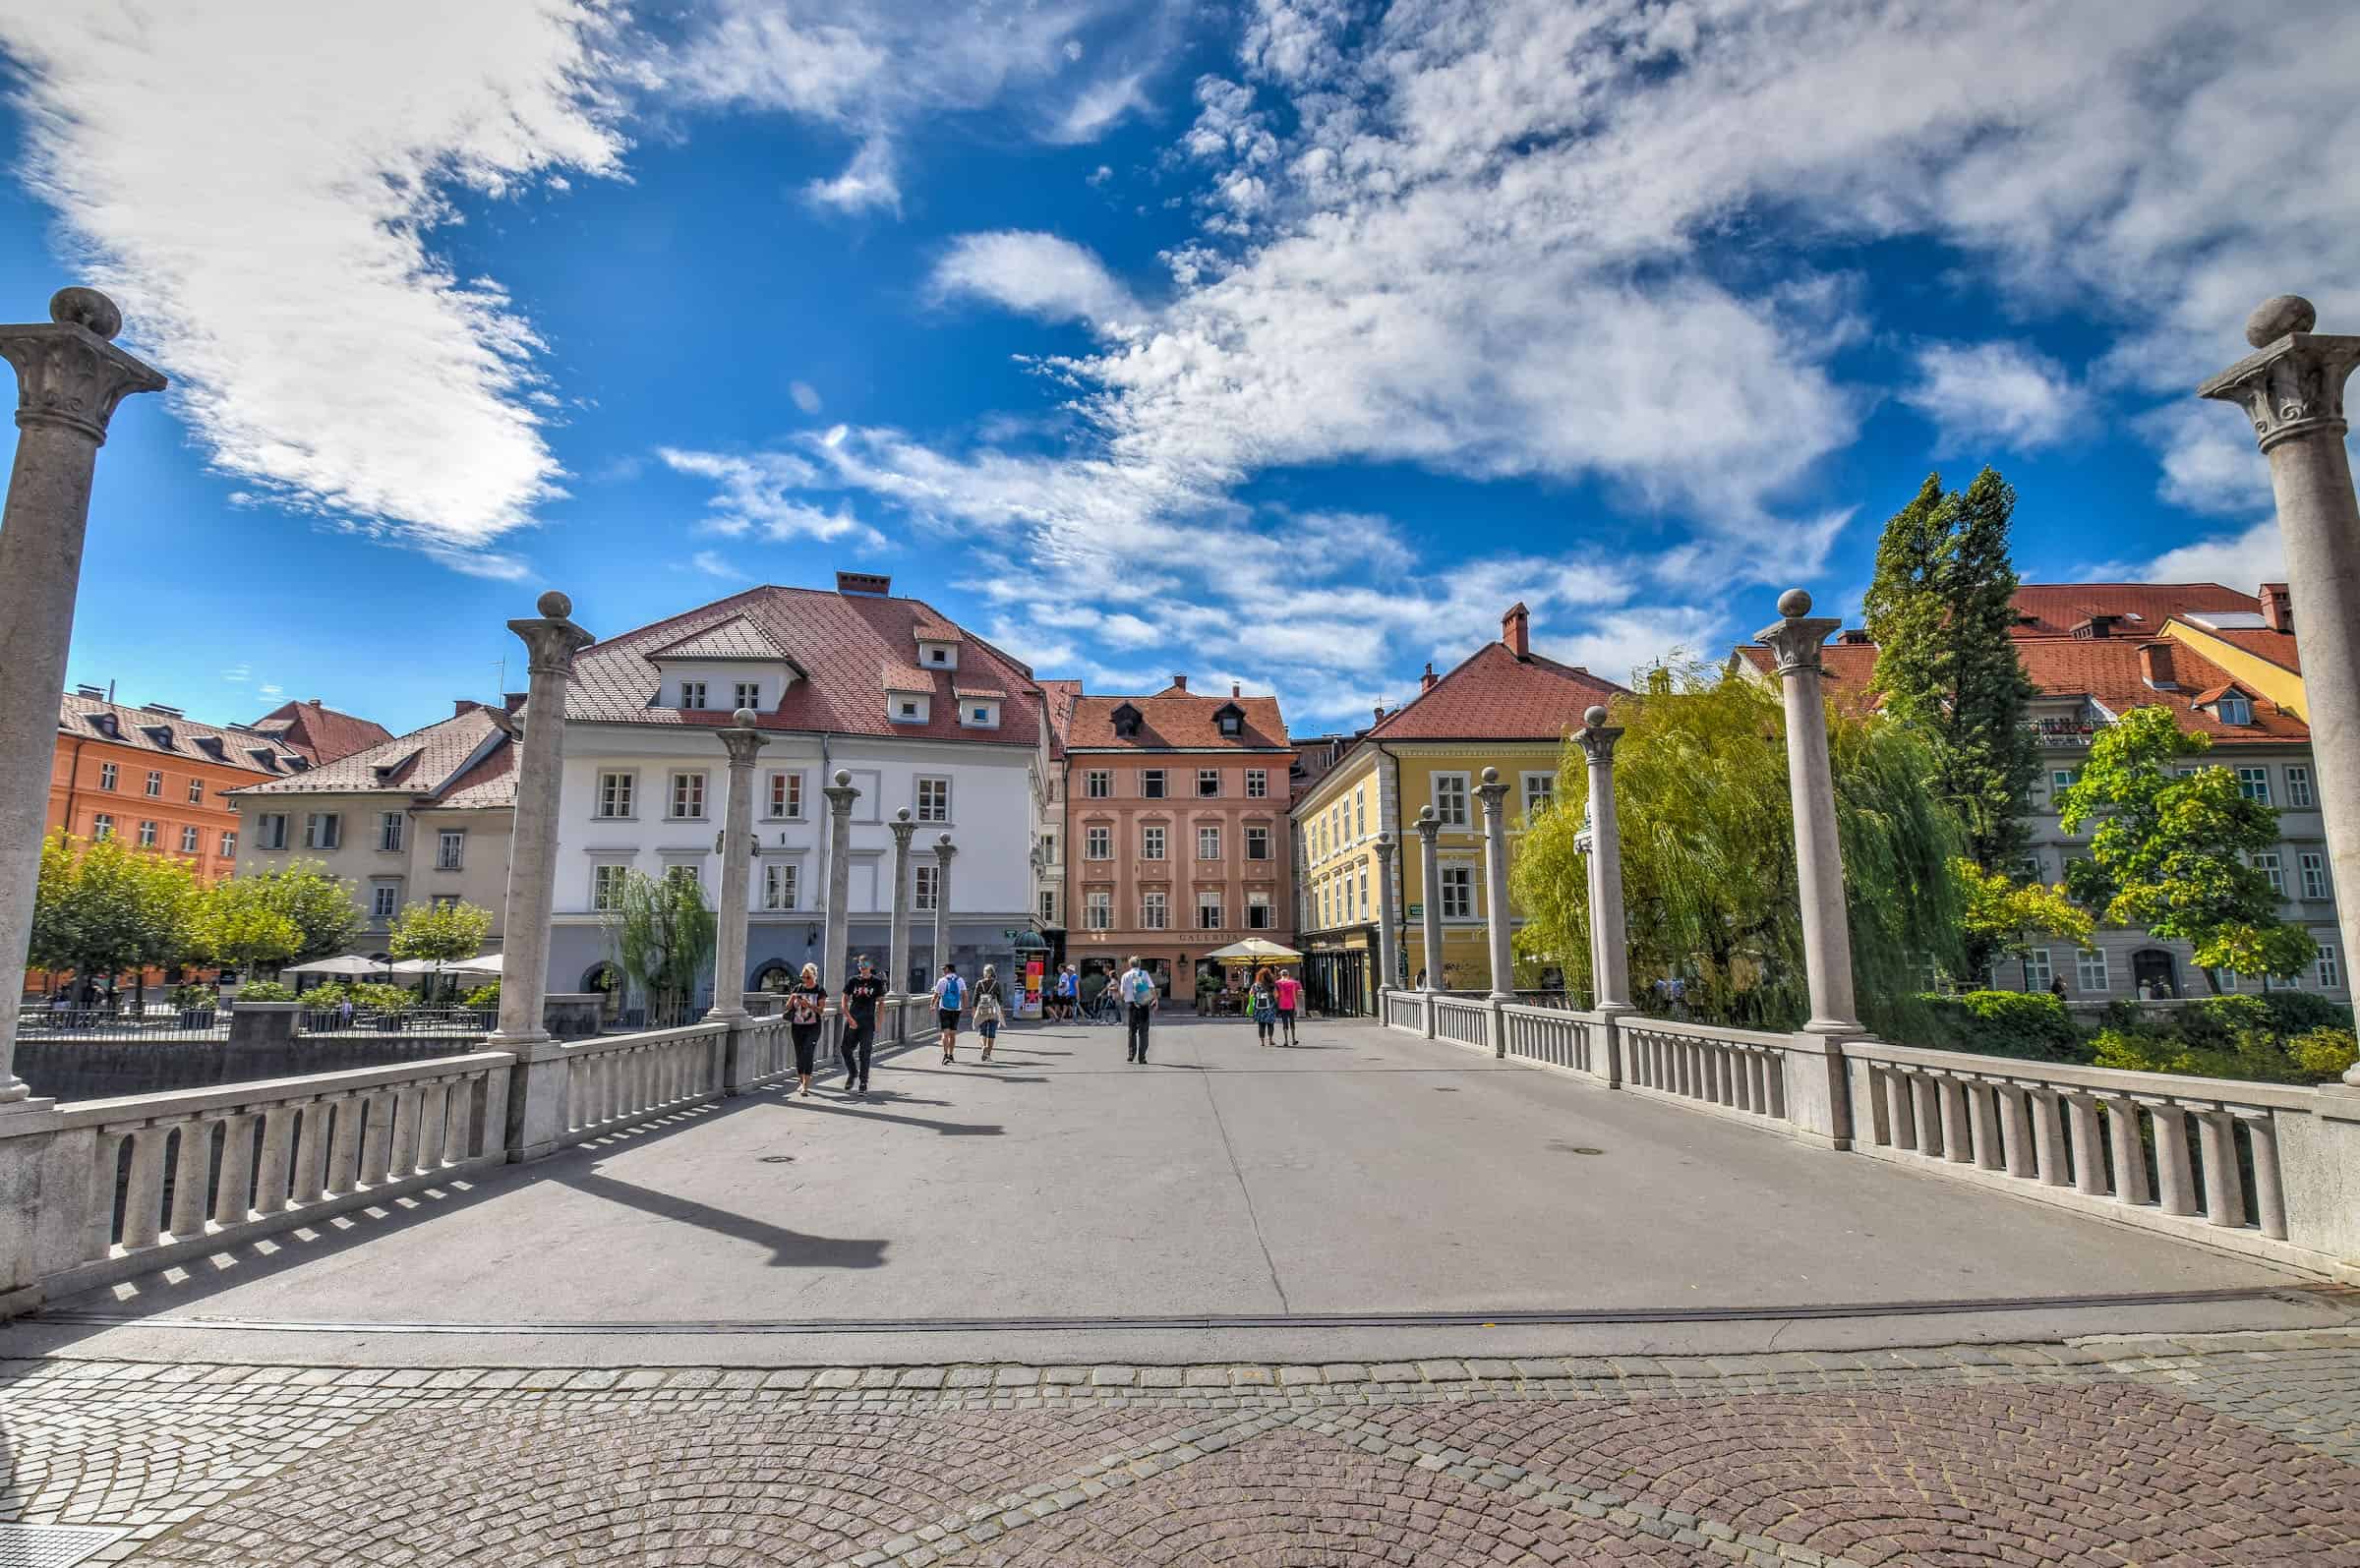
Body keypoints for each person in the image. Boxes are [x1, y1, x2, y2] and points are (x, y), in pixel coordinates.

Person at [839, 956, 886, 1094]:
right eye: (860, 964)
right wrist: (849, 1017)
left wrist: (879, 1022)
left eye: (865, 963)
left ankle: (863, 1082)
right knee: (845, 1049)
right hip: (852, 1021)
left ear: (871, 965)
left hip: (868, 1022)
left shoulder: (877, 982)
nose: (862, 966)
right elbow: (844, 1000)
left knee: (865, 1053)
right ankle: (853, 1072)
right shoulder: (853, 981)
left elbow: (881, 1003)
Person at [786, 962, 828, 1097]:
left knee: (808, 1052)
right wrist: (792, 998)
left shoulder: (819, 990)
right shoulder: (798, 987)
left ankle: (806, 1086)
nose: (805, 980)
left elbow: (821, 1011)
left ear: (814, 976)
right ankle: (801, 1081)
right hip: (797, 1026)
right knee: (799, 1055)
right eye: (803, 977)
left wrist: (809, 1005)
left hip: (813, 1027)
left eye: (808, 977)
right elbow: (787, 1007)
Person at [1118, 956, 1158, 1062]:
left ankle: (1131, 1054)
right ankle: (1142, 1057)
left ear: (1130, 964)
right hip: (1143, 1004)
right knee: (1143, 1032)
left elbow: (1122, 993)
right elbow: (1151, 987)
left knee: (1132, 1031)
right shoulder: (1144, 974)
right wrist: (1155, 1000)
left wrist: (1123, 998)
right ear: (1139, 964)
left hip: (1131, 1005)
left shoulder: (1125, 975)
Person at [932, 962, 967, 1064]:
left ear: (948, 969)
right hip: (956, 1009)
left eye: (944, 969)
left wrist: (932, 1005)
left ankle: (945, 1055)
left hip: (944, 1009)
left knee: (945, 1034)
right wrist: (964, 1007)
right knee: (952, 1034)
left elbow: (936, 995)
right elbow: (965, 995)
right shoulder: (960, 980)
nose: (943, 971)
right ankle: (951, 1054)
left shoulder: (941, 981)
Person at [974, 963, 1004, 1062]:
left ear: (985, 973)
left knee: (982, 1031)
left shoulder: (979, 983)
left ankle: (983, 1047)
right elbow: (1000, 1000)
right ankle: (988, 1055)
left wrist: (974, 1010)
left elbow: (975, 998)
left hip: (982, 1009)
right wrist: (1002, 1012)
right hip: (993, 1010)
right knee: (992, 1032)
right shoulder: (996, 984)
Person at [1248, 965, 1278, 1047]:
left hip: (1259, 1007)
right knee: (1270, 1024)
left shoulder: (1256, 985)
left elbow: (1251, 993)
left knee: (1261, 1024)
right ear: (1269, 976)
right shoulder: (1272, 985)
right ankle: (1270, 1040)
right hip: (1270, 1008)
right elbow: (1276, 995)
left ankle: (1262, 1042)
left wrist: (1257, 995)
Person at [1272, 965, 1302, 1045]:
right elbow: (1299, 994)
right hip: (1291, 1005)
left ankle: (1286, 1041)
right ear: (1288, 974)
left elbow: (1275, 995)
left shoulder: (1277, 983)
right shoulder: (1294, 982)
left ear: (1281, 975)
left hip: (1282, 1005)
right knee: (1292, 1022)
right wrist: (1297, 1006)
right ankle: (1293, 1039)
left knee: (1284, 1022)